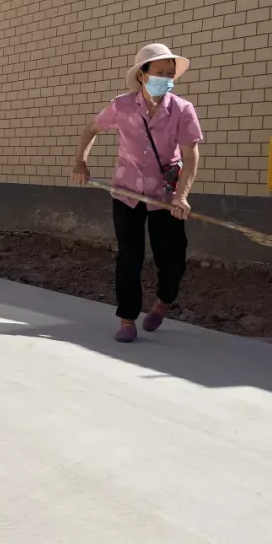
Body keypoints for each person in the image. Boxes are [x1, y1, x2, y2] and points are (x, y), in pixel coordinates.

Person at [71, 43, 203, 343]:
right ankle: (127, 319)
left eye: (170, 74)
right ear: (142, 75)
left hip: (165, 197)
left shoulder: (182, 110)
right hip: (127, 193)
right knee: (129, 257)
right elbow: (91, 129)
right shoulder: (121, 106)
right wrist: (81, 161)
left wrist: (182, 196)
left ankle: (163, 302)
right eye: (159, 73)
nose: (166, 78)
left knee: (172, 259)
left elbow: (190, 155)